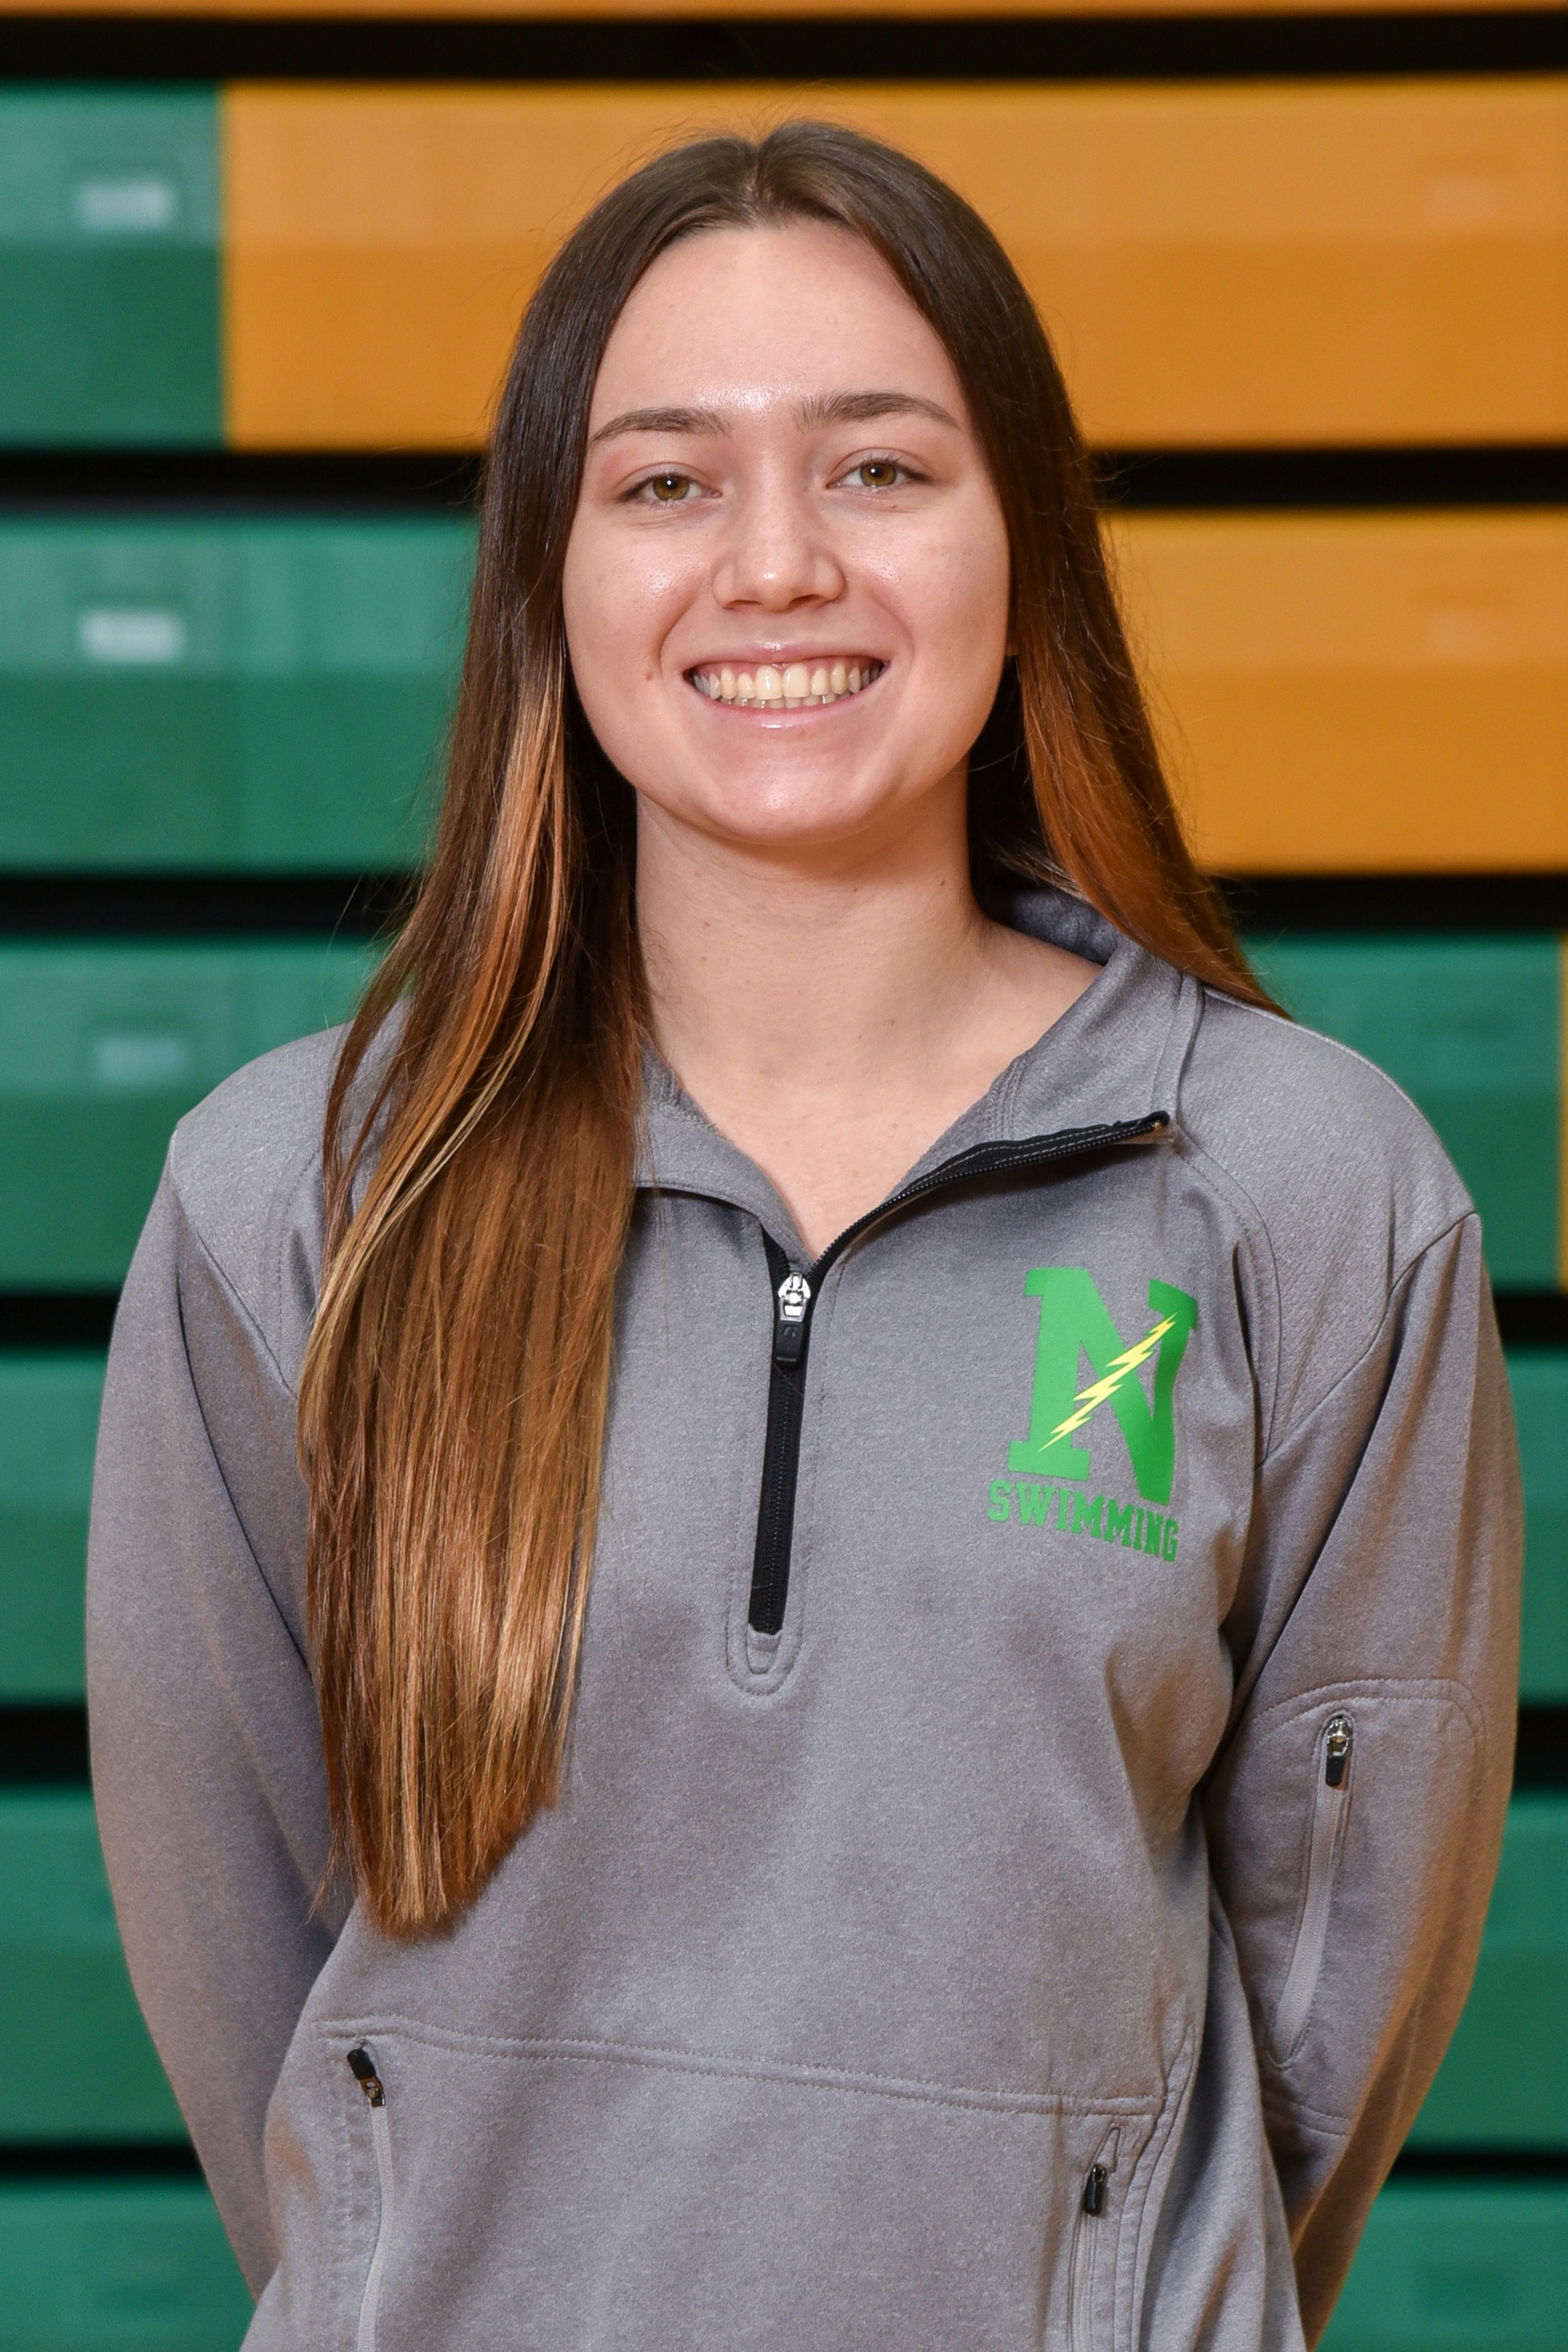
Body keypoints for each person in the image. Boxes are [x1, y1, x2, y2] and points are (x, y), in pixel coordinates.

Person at [88, 122, 1521, 2352]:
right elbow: (247, 1965)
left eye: (879, 469)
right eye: (669, 483)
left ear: (1021, 541)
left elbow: (1339, 1990)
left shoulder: (1306, 1192)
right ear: (551, 579)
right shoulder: (298, 1199)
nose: (778, 565)